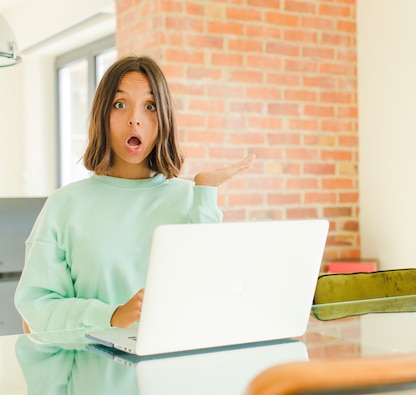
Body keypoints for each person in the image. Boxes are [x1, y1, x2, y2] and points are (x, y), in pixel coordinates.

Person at [14, 55, 255, 333]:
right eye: (120, 104)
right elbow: (36, 308)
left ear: (164, 118)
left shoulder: (191, 198)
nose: (135, 120)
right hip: (93, 373)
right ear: (102, 115)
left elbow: (213, 295)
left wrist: (205, 194)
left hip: (173, 370)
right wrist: (111, 315)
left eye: (150, 106)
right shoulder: (65, 204)